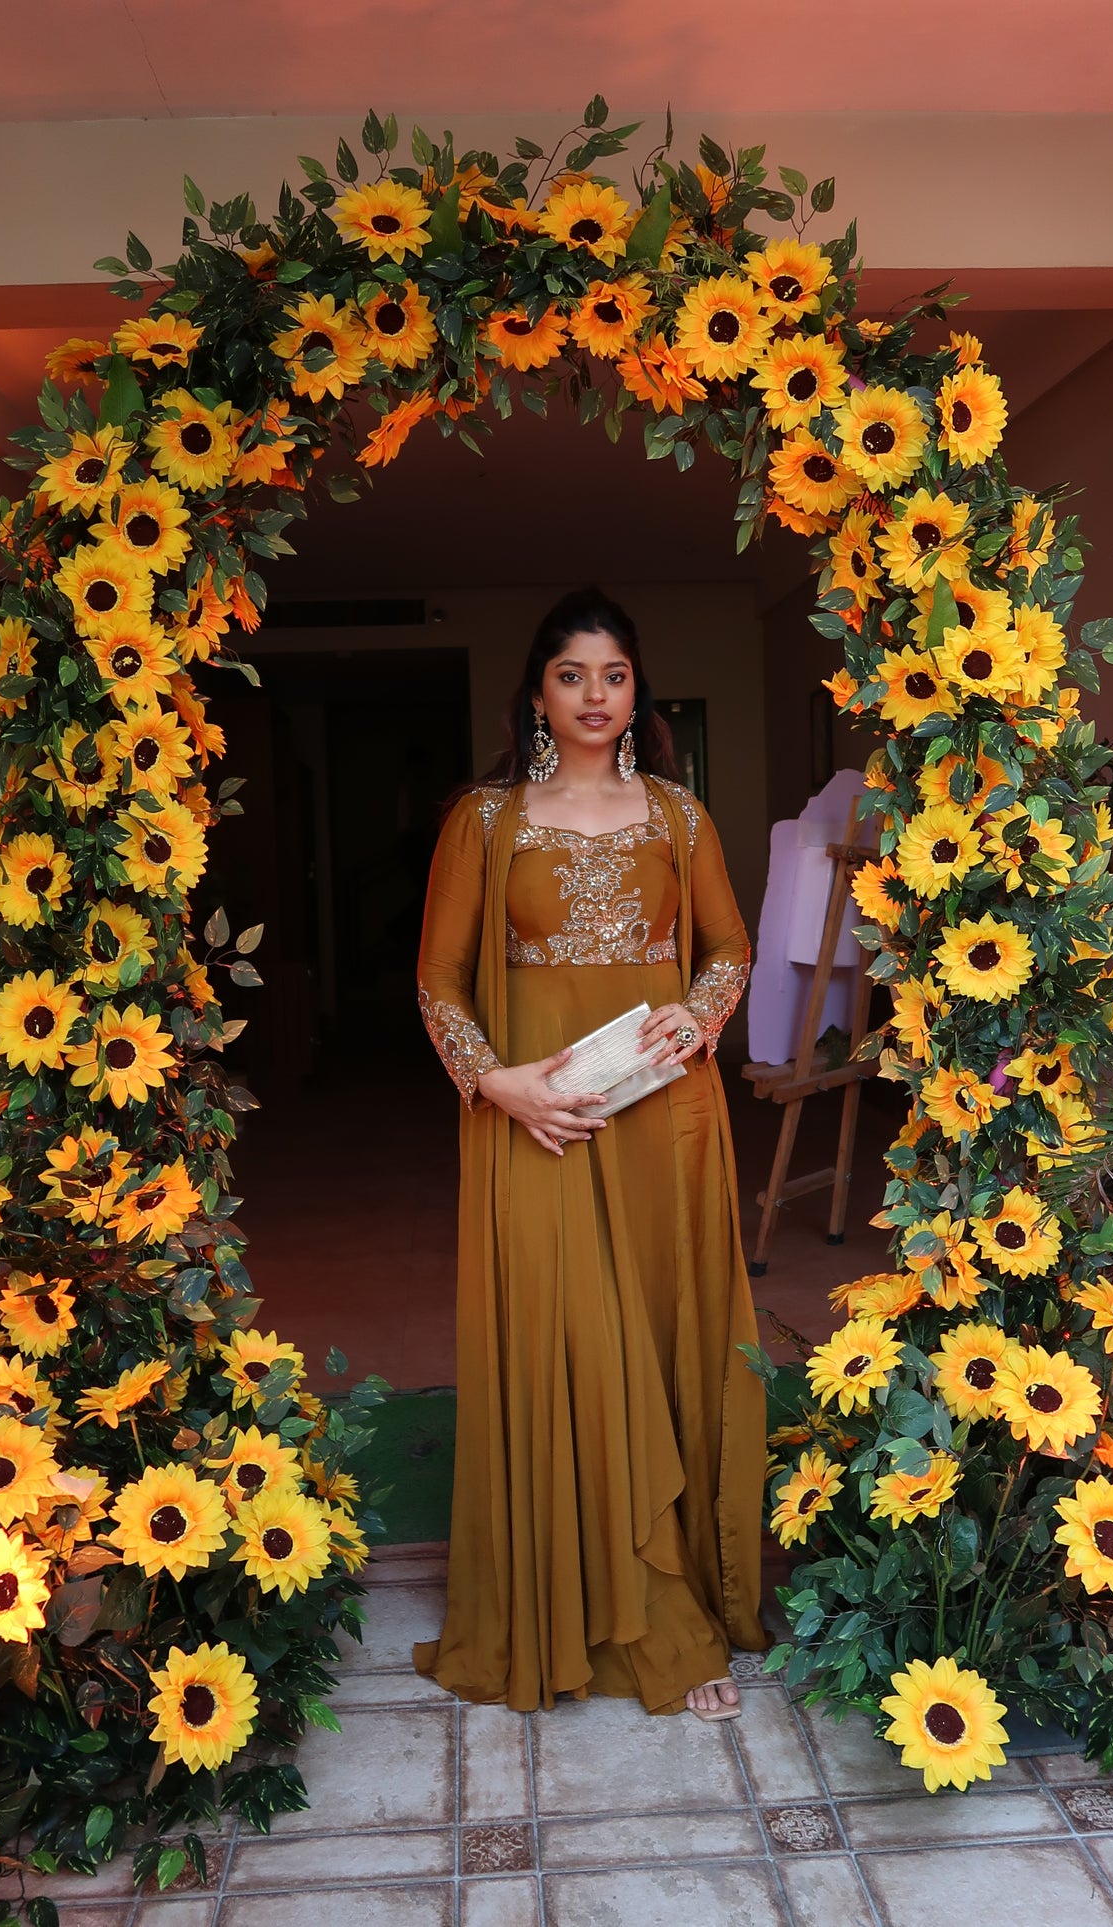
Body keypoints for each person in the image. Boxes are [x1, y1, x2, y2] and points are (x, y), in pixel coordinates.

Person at [413, 586, 767, 1720]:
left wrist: (700, 1013)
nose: (594, 696)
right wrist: (495, 1082)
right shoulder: (483, 823)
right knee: (578, 1342)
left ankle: (680, 1596)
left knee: (661, 1341)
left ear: (635, 691)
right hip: (540, 1128)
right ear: (536, 694)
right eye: (572, 676)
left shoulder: (679, 818)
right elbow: (438, 981)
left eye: (612, 676)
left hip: (665, 1121)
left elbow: (727, 946)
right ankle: (627, 1622)